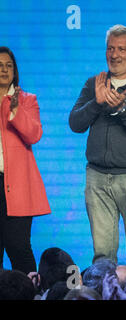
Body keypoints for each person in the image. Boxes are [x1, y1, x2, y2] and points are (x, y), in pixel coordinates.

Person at [69, 24, 126, 276]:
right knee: (102, 256)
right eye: (110, 48)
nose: (114, 54)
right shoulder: (94, 84)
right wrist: (96, 103)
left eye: (121, 49)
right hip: (97, 178)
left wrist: (122, 109)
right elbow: (75, 123)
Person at [0, 47, 51, 275]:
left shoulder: (27, 100)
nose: (4, 70)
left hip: (16, 187)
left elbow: (34, 135)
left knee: (19, 247)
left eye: (9, 65)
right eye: (0, 65)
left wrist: (16, 111)